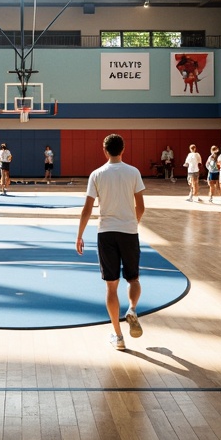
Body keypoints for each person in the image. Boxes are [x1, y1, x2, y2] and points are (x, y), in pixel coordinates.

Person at [75, 133, 147, 352]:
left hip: (106, 233)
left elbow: (87, 209)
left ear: (104, 150)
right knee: (133, 278)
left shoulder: (96, 174)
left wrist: (79, 235)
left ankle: (118, 336)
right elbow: (141, 206)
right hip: (129, 232)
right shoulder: (133, 172)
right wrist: (133, 224)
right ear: (123, 150)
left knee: (111, 286)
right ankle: (132, 309)